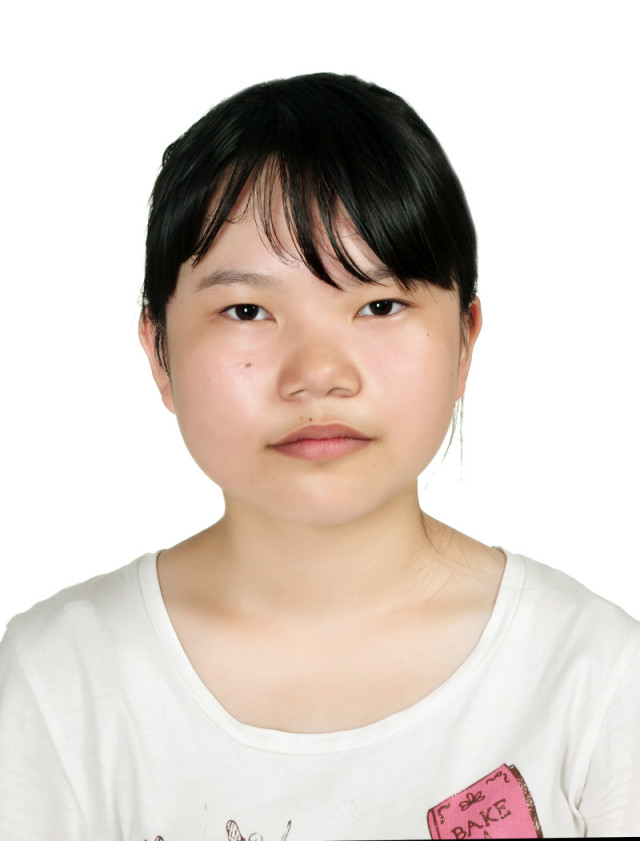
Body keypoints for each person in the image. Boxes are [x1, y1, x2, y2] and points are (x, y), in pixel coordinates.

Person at [0, 73, 638, 840]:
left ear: (465, 340)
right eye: (247, 310)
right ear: (158, 351)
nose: (319, 374)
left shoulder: (594, 680)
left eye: (379, 304)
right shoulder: (59, 684)